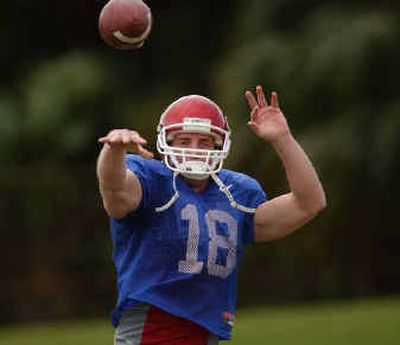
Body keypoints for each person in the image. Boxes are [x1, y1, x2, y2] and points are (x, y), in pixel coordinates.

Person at [96, 85, 326, 344]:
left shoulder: (234, 192)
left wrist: (282, 139)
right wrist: (113, 151)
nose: (194, 149)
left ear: (220, 145)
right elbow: (115, 191)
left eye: (204, 141)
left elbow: (309, 203)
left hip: (207, 331)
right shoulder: (153, 181)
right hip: (154, 326)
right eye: (184, 141)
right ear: (167, 143)